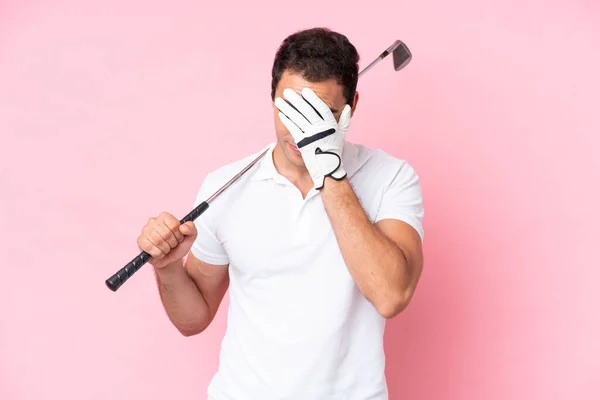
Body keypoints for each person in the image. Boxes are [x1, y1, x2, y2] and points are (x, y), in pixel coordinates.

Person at [138, 27, 424, 400]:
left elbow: (391, 295)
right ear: (271, 97)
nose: (299, 133)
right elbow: (192, 320)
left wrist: (329, 173)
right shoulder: (224, 185)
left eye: (320, 116)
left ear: (351, 106)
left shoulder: (391, 178)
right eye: (289, 110)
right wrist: (168, 267)